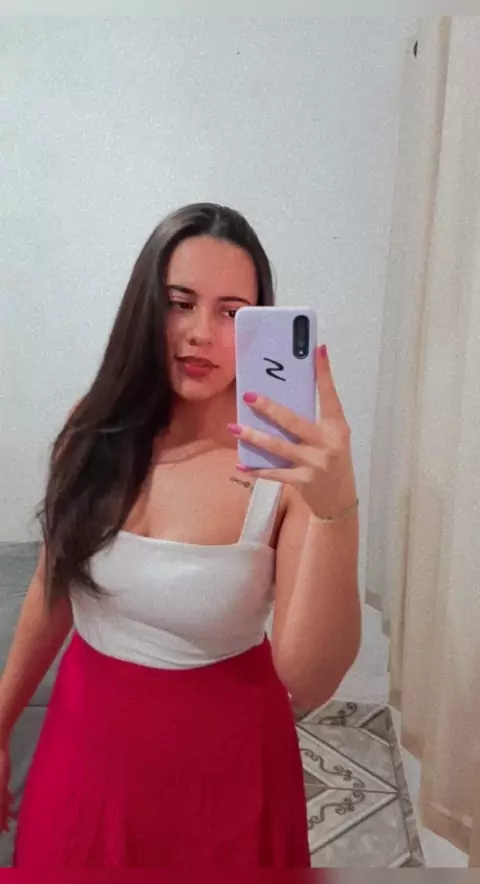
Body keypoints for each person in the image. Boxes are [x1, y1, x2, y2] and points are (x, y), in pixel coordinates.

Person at [0, 203, 361, 868]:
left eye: (231, 313)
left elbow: (309, 680)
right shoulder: (94, 428)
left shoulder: (284, 465)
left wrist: (338, 510)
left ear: (258, 326)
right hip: (82, 750)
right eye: (180, 303)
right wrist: (0, 721)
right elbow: (55, 583)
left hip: (223, 777)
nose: (200, 334)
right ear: (147, 306)